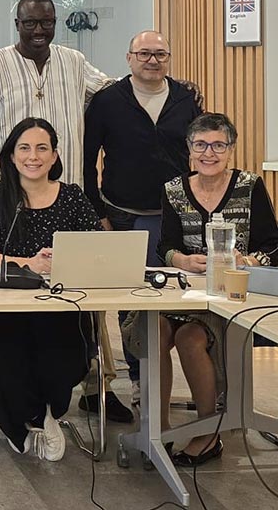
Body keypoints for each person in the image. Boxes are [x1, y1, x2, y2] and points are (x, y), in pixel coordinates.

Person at [0, 0, 131, 424]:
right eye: (30, 23)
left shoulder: (74, 61)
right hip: (6, 203)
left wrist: (161, 84)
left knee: (80, 297)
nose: (39, 30)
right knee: (16, 314)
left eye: (46, 22)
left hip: (65, 198)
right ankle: (27, 399)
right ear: (17, 23)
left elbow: (115, 95)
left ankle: (93, 389)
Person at [0, 118, 99, 461]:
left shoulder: (71, 197)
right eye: (24, 148)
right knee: (1, 349)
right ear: (11, 155)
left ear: (54, 156)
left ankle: (42, 412)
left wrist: (66, 260)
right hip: (0, 303)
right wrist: (30, 263)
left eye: (42, 148)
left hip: (59, 303)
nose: (33, 156)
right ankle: (31, 419)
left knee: (63, 348)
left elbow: (96, 248)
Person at [152, 113, 278, 466]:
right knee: (155, 330)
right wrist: (180, 259)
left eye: (218, 145)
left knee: (190, 338)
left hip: (233, 296)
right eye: (201, 145)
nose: (209, 153)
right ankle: (157, 431)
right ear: (190, 150)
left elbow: (273, 245)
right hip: (184, 292)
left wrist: (249, 260)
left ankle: (209, 432)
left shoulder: (249, 186)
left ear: (230, 150)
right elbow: (166, 246)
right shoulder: (173, 190)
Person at [84, 30, 201, 405]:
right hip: (122, 214)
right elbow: (88, 161)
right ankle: (139, 380)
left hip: (175, 216)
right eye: (145, 53)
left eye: (161, 54)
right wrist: (97, 212)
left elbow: (197, 152)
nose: (153, 60)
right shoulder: (107, 100)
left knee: (175, 297)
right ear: (129, 57)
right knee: (131, 298)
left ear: (169, 58)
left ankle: (183, 379)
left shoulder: (186, 99)